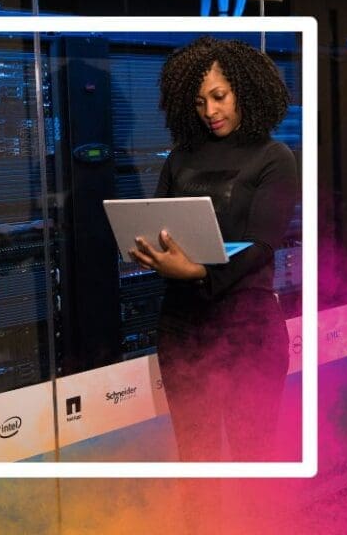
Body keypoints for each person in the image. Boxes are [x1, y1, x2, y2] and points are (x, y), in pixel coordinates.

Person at [128, 36, 298, 462]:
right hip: (182, 327)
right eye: (200, 101)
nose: (209, 111)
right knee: (195, 455)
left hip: (249, 328)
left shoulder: (274, 157)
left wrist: (199, 272)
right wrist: (150, 250)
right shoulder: (180, 158)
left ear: (246, 91)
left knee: (251, 456)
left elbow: (262, 244)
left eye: (219, 97)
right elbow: (158, 223)